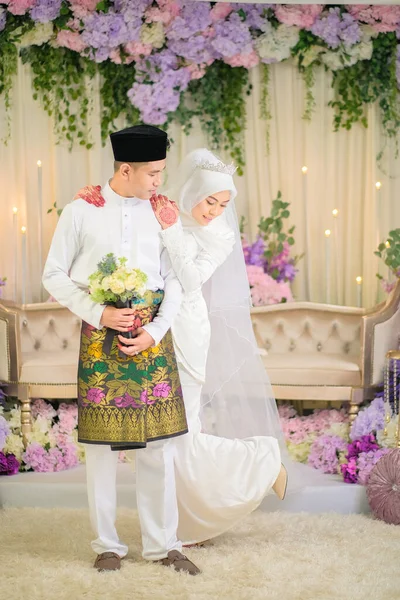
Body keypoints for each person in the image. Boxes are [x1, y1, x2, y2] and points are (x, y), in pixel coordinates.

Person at [42, 125, 200, 575]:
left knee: (159, 449)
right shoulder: (81, 211)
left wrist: (158, 330)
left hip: (153, 335)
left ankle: (164, 545)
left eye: (161, 172)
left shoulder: (163, 213)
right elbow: (53, 274)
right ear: (125, 168)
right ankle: (106, 545)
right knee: (101, 451)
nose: (158, 182)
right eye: (152, 173)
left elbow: (175, 281)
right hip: (101, 335)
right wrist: (98, 314)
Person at [149, 148, 288, 545]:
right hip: (148, 335)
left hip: (187, 336)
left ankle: (262, 461)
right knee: (162, 440)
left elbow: (191, 280)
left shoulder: (220, 235)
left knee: (183, 436)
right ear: (193, 189)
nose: (214, 210)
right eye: (210, 200)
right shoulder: (158, 212)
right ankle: (186, 525)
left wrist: (172, 228)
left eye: (222, 204)